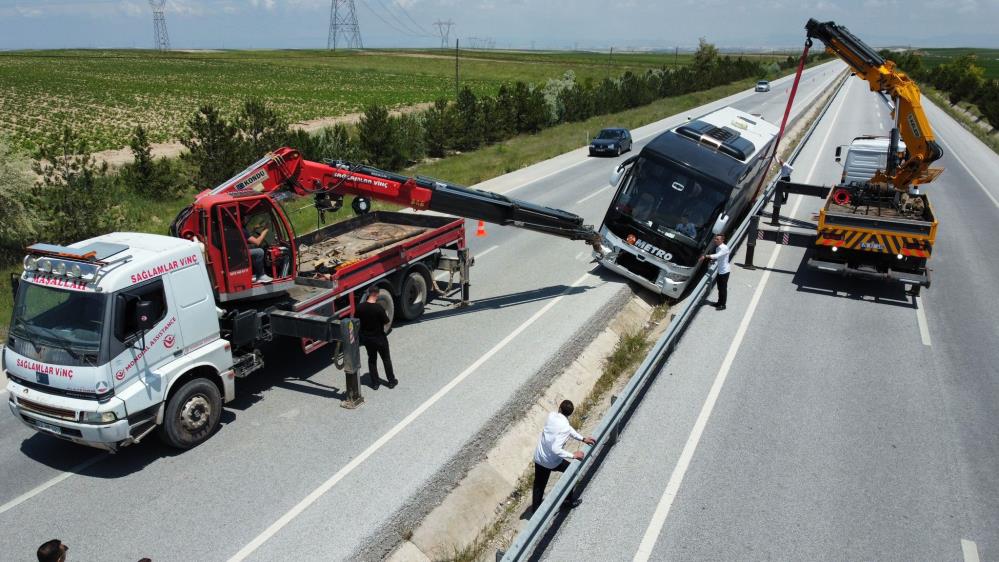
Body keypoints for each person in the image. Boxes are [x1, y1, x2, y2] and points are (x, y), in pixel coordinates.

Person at [531, 400, 596, 514]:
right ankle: (568, 501)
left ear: (559, 408)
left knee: (539, 485)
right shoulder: (564, 426)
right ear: (570, 413)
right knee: (571, 472)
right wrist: (573, 455)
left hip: (539, 457)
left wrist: (582, 438)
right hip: (551, 461)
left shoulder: (551, 416)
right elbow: (556, 449)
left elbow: (568, 429)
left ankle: (535, 511)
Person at [355, 285, 396, 389]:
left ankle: (375, 383)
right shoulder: (379, 308)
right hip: (380, 338)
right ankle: (391, 381)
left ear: (369, 293)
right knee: (386, 359)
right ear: (377, 294)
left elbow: (356, 320)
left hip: (368, 339)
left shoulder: (360, 307)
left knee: (372, 360)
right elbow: (386, 321)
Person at [700, 234, 731, 310]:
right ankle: (719, 303)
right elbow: (719, 257)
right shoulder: (718, 248)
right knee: (719, 288)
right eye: (715, 239)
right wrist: (713, 259)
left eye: (717, 239)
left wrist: (705, 256)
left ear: (722, 240)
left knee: (723, 288)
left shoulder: (724, 248)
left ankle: (723, 305)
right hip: (720, 271)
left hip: (724, 271)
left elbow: (717, 256)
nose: (715, 240)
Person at [242, 215, 272, 283]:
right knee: (259, 252)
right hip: (240, 253)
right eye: (245, 219)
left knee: (254, 248)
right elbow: (257, 242)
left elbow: (248, 236)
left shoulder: (239, 228)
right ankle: (261, 275)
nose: (246, 220)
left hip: (238, 251)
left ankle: (256, 272)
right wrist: (266, 230)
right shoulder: (242, 229)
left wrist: (256, 228)